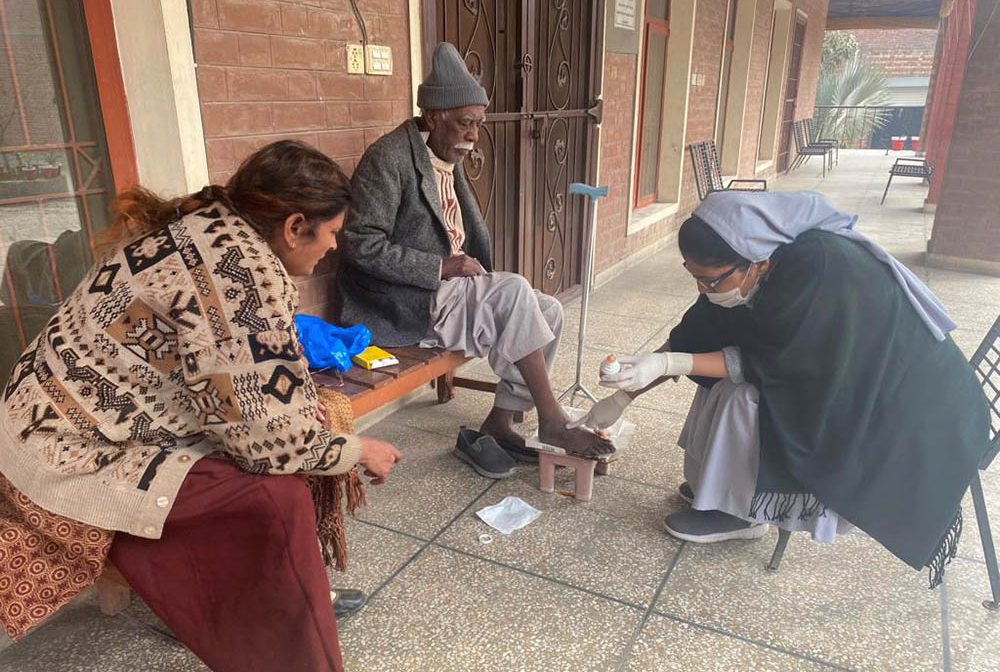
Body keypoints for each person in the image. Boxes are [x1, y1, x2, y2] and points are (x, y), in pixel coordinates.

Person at [0, 140, 402, 671]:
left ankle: (259, 606)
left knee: (317, 419)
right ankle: (293, 649)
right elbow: (265, 441)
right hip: (60, 451)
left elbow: (242, 389)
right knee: (274, 501)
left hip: (36, 419)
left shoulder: (209, 226)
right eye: (332, 234)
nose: (332, 248)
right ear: (294, 226)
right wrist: (358, 451)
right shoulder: (241, 275)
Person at [572, 190, 989, 585]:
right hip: (848, 375)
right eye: (693, 276)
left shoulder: (823, 269)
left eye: (710, 280)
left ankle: (744, 513)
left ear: (758, 263)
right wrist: (622, 396)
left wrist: (668, 362)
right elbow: (695, 337)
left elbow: (781, 366)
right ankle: (722, 489)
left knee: (744, 397)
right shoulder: (747, 259)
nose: (703, 289)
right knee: (715, 372)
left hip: (900, 404)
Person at [336, 42, 611, 478]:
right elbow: (359, 244)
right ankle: (552, 419)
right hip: (406, 300)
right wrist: (442, 267)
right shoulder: (387, 159)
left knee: (550, 310)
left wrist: (473, 272)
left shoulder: (444, 152)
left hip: (450, 290)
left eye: (478, 124)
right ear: (432, 117)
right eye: (466, 123)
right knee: (515, 291)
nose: (473, 135)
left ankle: (499, 422)